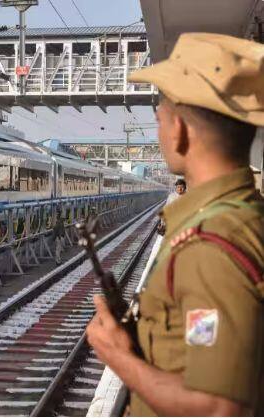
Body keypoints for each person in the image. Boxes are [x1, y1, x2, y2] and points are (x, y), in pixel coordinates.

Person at [86, 33, 264, 416]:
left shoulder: (209, 248)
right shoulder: (238, 219)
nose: (159, 131)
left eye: (160, 118)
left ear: (180, 129)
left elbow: (217, 407)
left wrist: (119, 357)